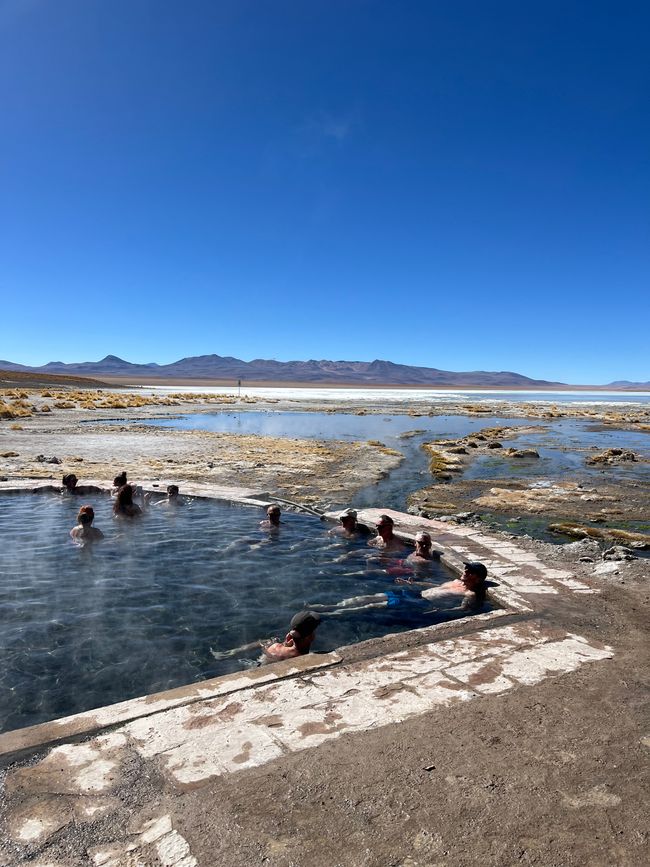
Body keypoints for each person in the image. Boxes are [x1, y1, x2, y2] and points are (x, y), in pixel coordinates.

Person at [311, 562, 489, 616]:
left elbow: (463, 609)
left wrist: (439, 611)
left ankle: (330, 614)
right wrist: (411, 583)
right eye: (466, 568)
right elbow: (436, 586)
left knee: (372, 607)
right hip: (415, 593)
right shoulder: (455, 581)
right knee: (371, 597)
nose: (465, 570)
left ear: (477, 578)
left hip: (420, 603)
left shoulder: (470, 593)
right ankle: (331, 606)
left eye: (469, 570)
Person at [210, 611, 321, 662]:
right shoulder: (301, 657)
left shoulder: (276, 647)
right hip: (270, 662)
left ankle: (233, 652)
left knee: (265, 642)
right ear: (310, 637)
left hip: (265, 658)